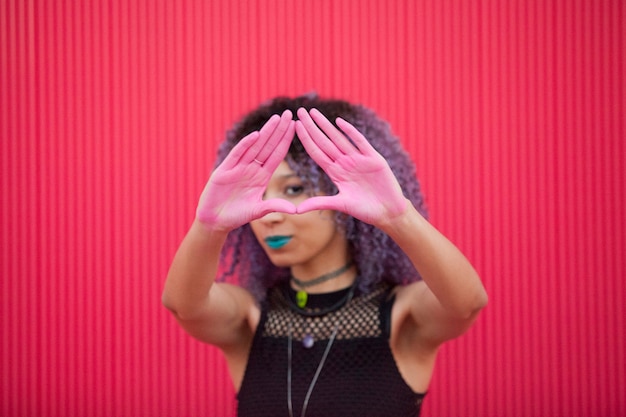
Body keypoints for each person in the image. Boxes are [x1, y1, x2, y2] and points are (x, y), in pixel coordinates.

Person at [163, 94, 488, 417]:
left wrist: (398, 217)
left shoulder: (404, 315)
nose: (268, 215)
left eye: (293, 188)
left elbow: (466, 303)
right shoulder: (249, 316)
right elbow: (183, 305)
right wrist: (209, 228)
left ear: (344, 194)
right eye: (259, 194)